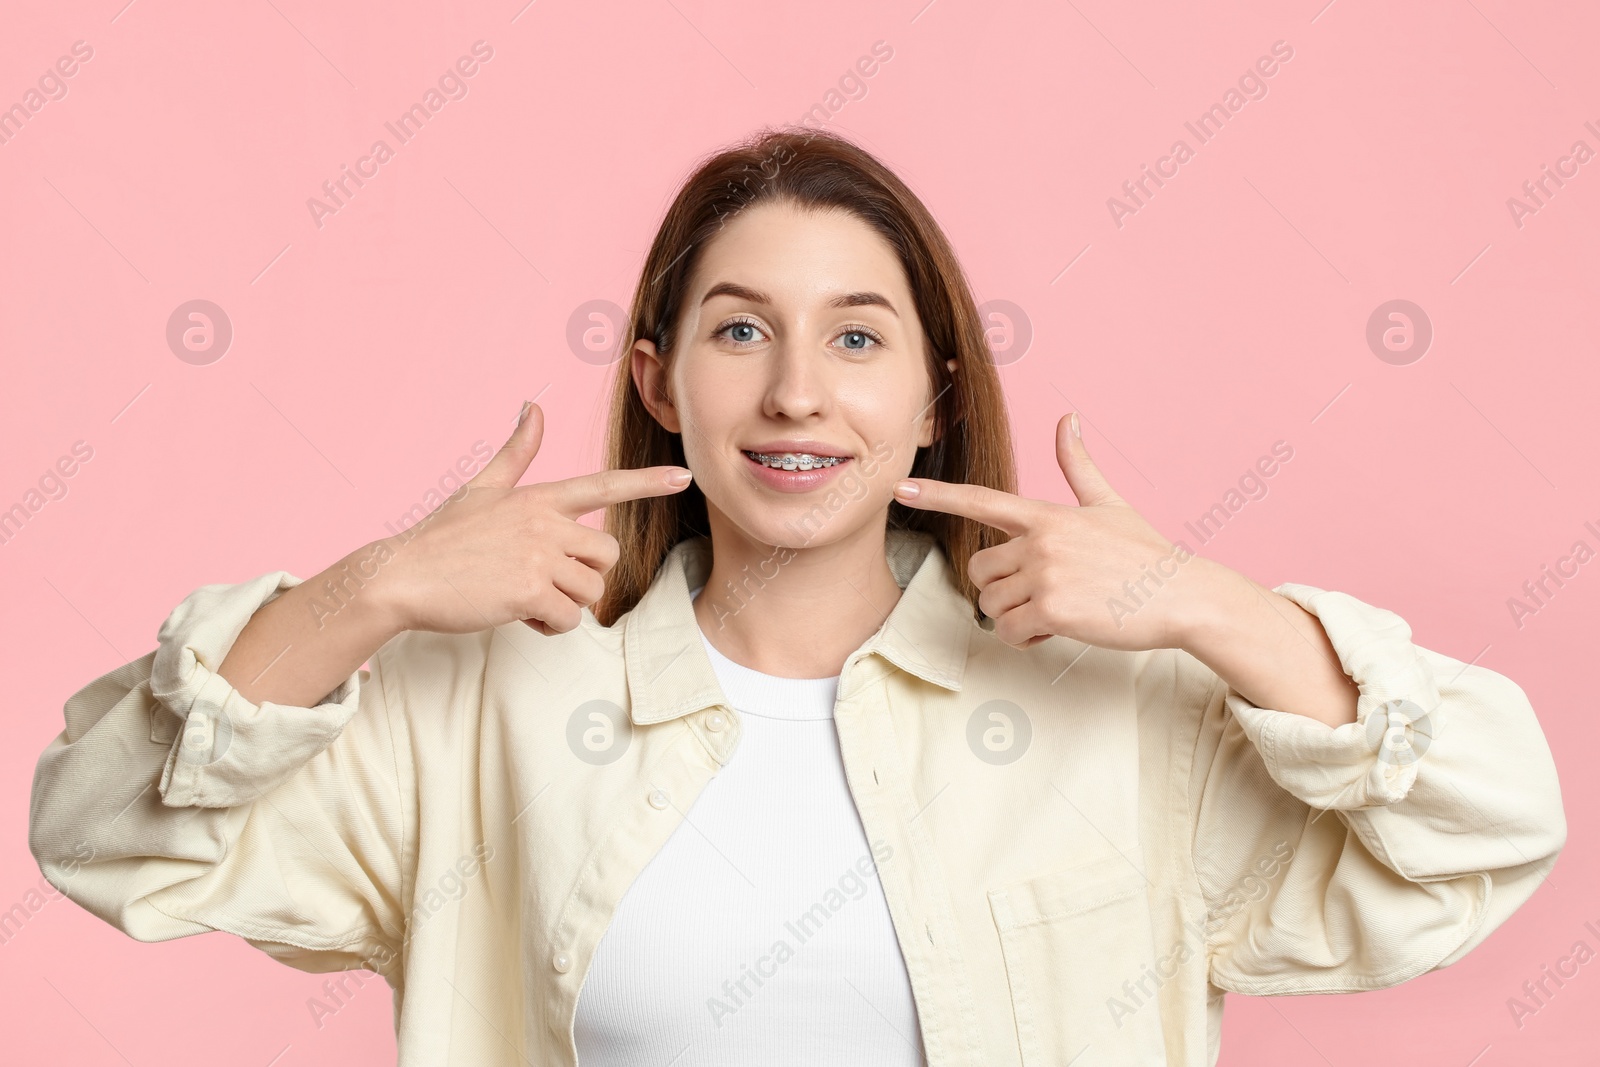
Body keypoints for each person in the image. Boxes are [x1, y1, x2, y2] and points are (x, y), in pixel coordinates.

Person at [30, 126, 1565, 1067]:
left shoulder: (1118, 723)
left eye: (854, 339)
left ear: (932, 395)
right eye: (738, 330)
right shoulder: (485, 711)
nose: (792, 397)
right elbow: (99, 828)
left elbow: (1491, 827)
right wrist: (373, 593)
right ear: (659, 379)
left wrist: (1203, 605)